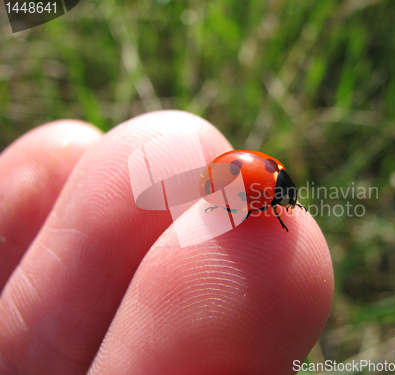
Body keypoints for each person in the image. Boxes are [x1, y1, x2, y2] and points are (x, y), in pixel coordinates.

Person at [0, 111, 333, 375]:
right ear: (282, 191)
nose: (287, 208)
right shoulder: (270, 188)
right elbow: (258, 201)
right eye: (287, 202)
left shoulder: (273, 177)